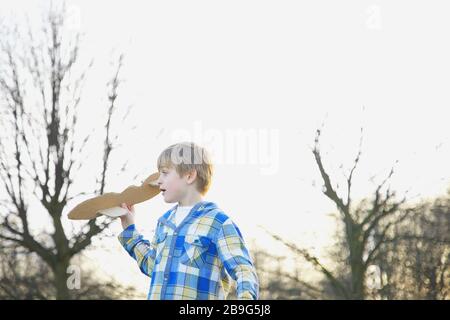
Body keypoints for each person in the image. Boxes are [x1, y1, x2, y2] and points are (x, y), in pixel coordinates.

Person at [118, 142, 259, 299]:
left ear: (190, 176)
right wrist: (129, 229)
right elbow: (152, 266)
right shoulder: (164, 222)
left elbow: (243, 269)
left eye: (165, 173)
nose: (158, 180)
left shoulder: (218, 222)